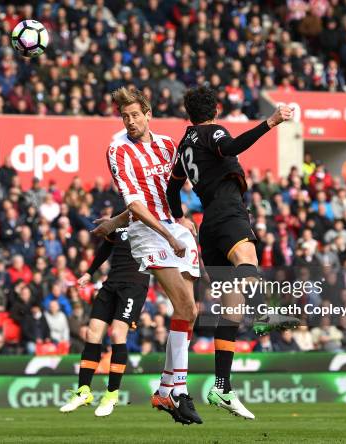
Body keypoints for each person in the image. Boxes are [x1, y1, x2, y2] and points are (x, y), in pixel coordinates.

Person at [165, 86, 295, 419]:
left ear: (188, 114)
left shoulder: (184, 146)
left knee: (232, 309)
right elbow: (232, 146)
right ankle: (268, 315)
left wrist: (182, 219)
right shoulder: (213, 132)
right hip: (228, 214)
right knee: (249, 265)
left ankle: (222, 387)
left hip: (208, 226)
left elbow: (171, 189)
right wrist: (271, 121)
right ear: (216, 110)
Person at [93, 87, 202, 424]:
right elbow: (136, 206)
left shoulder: (168, 145)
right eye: (125, 116)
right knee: (185, 306)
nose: (130, 121)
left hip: (174, 227)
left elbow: (173, 188)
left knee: (190, 312)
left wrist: (182, 219)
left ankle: (165, 391)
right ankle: (178, 391)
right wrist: (168, 233)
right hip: (148, 233)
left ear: (148, 114)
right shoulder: (118, 150)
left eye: (135, 115)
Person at [60, 220, 150, 417]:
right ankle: (83, 391)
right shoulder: (120, 215)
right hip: (112, 282)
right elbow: (106, 247)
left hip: (134, 285)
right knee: (92, 333)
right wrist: (89, 273)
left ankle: (111, 394)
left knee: (118, 334)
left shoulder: (150, 214)